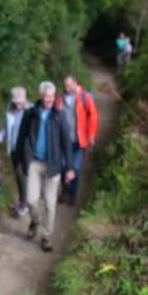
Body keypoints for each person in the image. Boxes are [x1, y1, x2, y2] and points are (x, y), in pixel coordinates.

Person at [16, 81, 75, 252]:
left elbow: (66, 143)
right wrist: (20, 158)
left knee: (50, 203)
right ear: (41, 95)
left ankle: (46, 236)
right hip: (34, 162)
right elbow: (21, 137)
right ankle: (35, 221)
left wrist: (70, 167)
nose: (49, 99)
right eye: (46, 95)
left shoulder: (59, 116)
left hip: (53, 165)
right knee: (31, 200)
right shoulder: (30, 114)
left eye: (52, 96)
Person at [55, 75, 98, 205]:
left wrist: (91, 134)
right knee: (63, 167)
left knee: (75, 169)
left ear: (75, 83)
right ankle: (65, 190)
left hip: (79, 141)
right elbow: (55, 114)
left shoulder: (85, 97)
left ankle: (72, 194)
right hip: (63, 140)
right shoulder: (60, 97)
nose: (67, 88)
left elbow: (93, 115)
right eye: (65, 86)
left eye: (69, 85)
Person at [0, 86, 32, 216]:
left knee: (21, 174)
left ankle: (25, 204)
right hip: (13, 150)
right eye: (16, 101)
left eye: (20, 101)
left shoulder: (31, 111)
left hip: (26, 150)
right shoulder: (10, 110)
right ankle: (23, 201)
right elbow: (6, 131)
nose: (18, 104)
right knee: (19, 177)